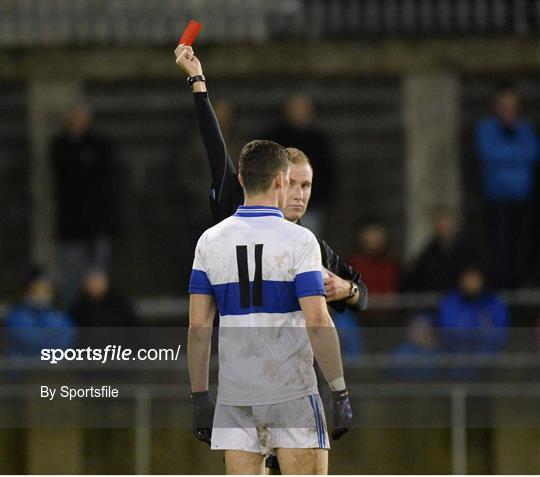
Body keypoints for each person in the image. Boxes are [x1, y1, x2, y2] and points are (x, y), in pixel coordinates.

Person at [187, 139, 352, 474]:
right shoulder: (299, 240)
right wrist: (339, 391)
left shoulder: (210, 241)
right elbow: (318, 321)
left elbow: (199, 329)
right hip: (291, 394)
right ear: (281, 180)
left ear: (241, 180)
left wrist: (200, 399)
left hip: (236, 398)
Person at [174, 44, 367, 315]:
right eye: (292, 184)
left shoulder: (307, 243)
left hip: (292, 356)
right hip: (239, 351)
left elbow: (360, 294)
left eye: (306, 185)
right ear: (277, 182)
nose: (299, 193)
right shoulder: (236, 211)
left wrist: (347, 290)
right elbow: (215, 148)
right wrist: (197, 81)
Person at [50, 104, 117, 308]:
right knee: (71, 277)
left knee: (99, 276)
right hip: (71, 224)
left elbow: (103, 173)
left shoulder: (99, 143)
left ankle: (98, 321)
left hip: (98, 222)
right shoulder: (61, 145)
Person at [475, 83, 539, 289]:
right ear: (496, 106)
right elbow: (489, 154)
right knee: (501, 248)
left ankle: (522, 286)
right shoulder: (486, 129)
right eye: (504, 105)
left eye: (512, 105)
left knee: (524, 246)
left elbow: (533, 154)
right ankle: (503, 289)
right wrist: (516, 155)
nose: (508, 110)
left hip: (523, 199)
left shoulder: (525, 129)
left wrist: (506, 154)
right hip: (498, 200)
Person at [265, 94, 335, 235]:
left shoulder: (319, 141)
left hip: (311, 208)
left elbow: (327, 174)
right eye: (295, 109)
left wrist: (320, 200)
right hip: (276, 208)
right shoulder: (275, 138)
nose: (298, 113)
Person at [437, 264, 509, 380]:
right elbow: (447, 333)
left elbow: (499, 336)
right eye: (468, 278)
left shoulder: (494, 303)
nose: (471, 283)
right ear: (461, 280)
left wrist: (481, 355)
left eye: (475, 278)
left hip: (485, 360)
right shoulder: (450, 301)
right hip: (456, 357)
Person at [5, 266, 75, 358]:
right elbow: (28, 340)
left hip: (53, 369)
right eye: (37, 289)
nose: (42, 294)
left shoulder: (60, 316)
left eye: (46, 290)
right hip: (23, 370)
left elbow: (67, 340)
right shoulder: (17, 315)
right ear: (28, 290)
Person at [406, 207, 473, 292]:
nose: (443, 225)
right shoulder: (427, 255)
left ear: (453, 222)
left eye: (445, 220)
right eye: (439, 221)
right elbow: (415, 282)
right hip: (435, 302)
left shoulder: (467, 251)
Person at [70, 269, 139, 328]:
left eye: (99, 281)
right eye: (92, 282)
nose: (95, 286)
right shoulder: (79, 306)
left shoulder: (119, 304)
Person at [348, 219, 399, 295]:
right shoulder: (353, 266)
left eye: (376, 234)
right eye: (369, 234)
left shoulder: (392, 266)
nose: (373, 239)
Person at [390, 313, 439, 381]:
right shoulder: (402, 353)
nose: (426, 332)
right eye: (421, 328)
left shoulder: (434, 349)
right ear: (410, 331)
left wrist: (431, 350)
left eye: (427, 328)